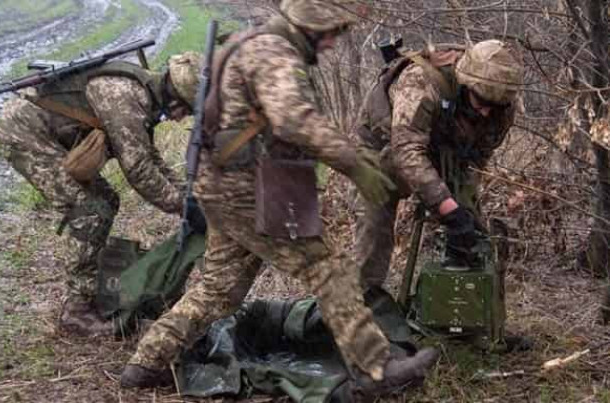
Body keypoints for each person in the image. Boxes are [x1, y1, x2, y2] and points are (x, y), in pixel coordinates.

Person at [121, 0, 438, 396]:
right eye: (329, 34)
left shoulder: (250, 44)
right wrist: (353, 162)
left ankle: (146, 362)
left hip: (220, 186)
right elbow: (293, 120)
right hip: (250, 191)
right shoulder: (274, 53)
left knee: (218, 289)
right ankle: (377, 369)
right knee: (330, 270)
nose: (331, 44)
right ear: (311, 29)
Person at [0, 52, 201, 336]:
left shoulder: (144, 93)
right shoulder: (125, 99)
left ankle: (94, 282)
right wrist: (183, 207)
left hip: (47, 133)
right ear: (175, 97)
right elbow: (138, 170)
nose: (181, 118)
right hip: (26, 134)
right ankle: (77, 310)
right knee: (90, 209)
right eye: (186, 110)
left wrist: (188, 195)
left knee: (107, 201)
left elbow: (149, 156)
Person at [354, 39, 523, 287]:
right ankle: (361, 304)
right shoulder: (422, 81)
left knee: (471, 231)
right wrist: (446, 208)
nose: (487, 112)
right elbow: (406, 151)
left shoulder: (503, 106)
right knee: (375, 224)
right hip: (381, 146)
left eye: (494, 106)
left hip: (441, 147)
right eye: (482, 102)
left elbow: (476, 159)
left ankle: (464, 305)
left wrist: (460, 210)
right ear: (466, 84)